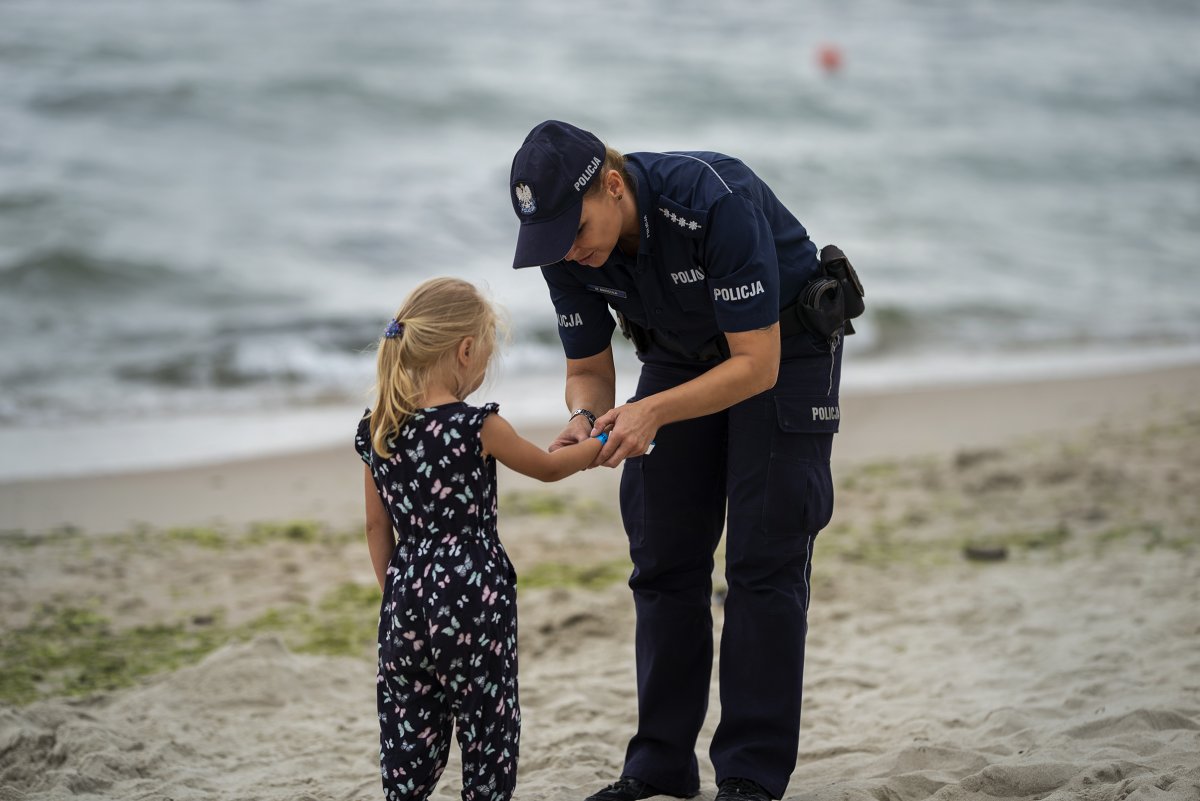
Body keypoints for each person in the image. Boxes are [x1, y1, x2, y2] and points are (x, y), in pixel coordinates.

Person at [507, 121, 863, 801]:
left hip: (784, 349)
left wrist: (654, 410)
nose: (568, 250)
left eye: (575, 229)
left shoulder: (709, 201)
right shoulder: (565, 246)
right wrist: (586, 416)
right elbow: (587, 367)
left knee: (764, 557)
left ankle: (751, 774)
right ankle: (660, 762)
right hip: (676, 351)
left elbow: (756, 366)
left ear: (612, 186)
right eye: (552, 238)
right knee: (663, 556)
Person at [354, 276, 604, 801]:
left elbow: (378, 528)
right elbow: (550, 469)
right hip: (472, 597)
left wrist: (395, 592)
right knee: (487, 720)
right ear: (466, 350)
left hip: (405, 598)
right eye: (485, 356)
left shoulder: (378, 429)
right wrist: (604, 440)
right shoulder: (478, 427)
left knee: (409, 721)